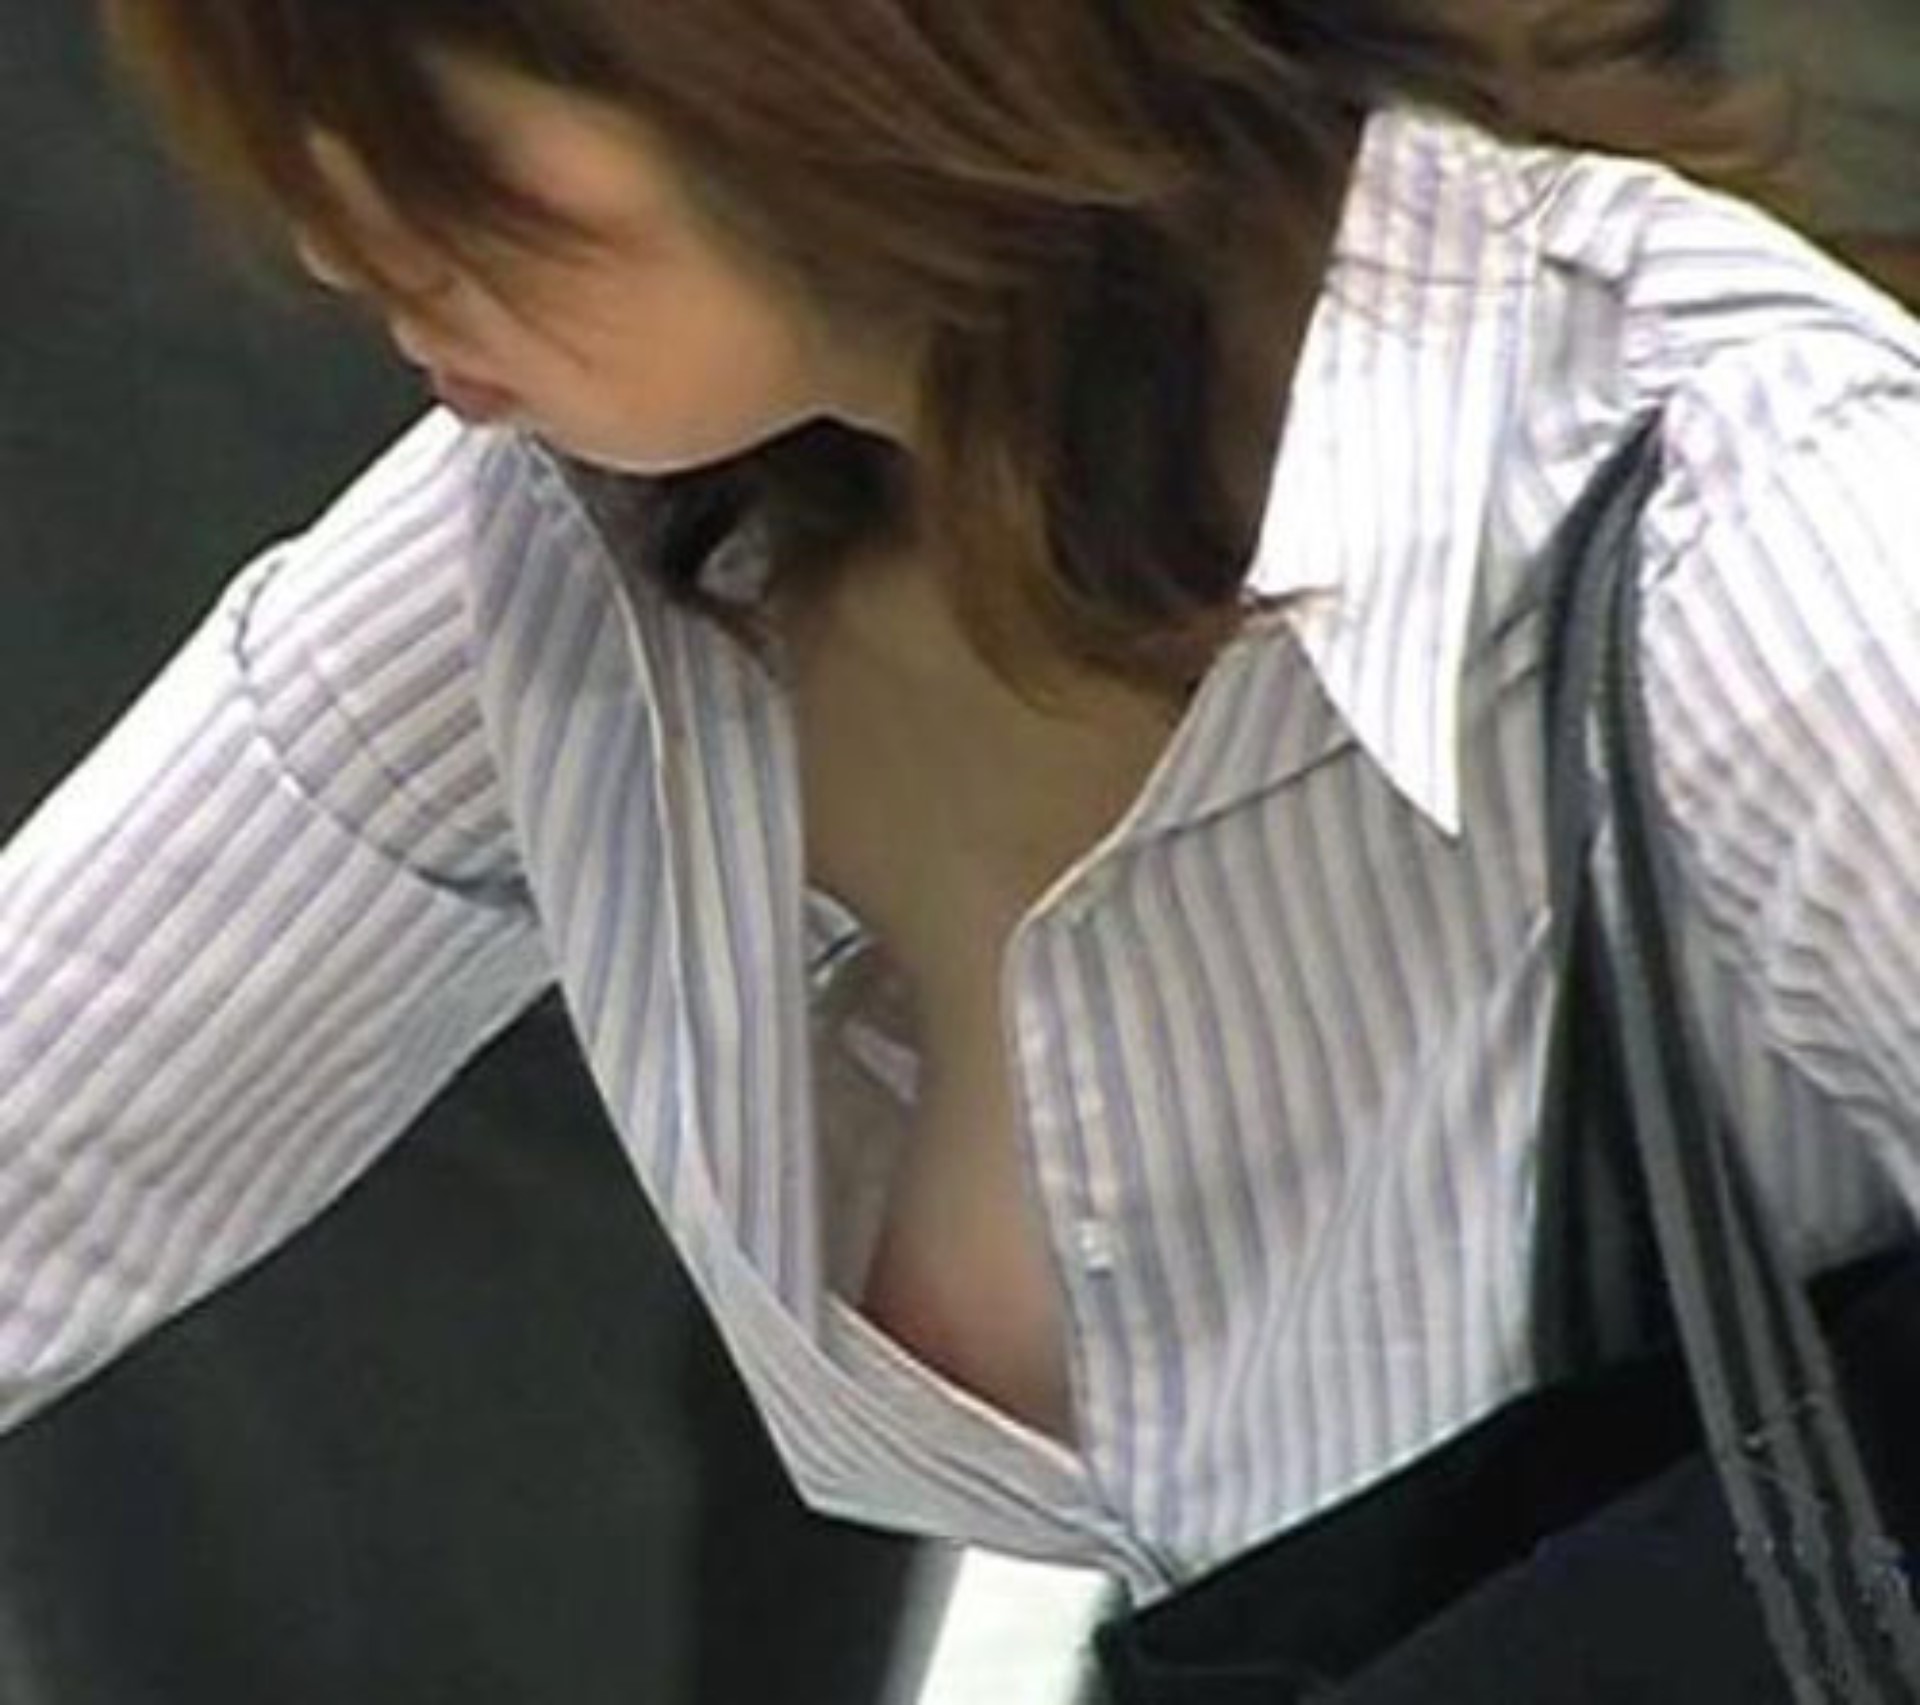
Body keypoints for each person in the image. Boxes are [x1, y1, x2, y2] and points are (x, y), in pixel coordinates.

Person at [6, 0, 1919, 1695]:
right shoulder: (570, 538)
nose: (341, 242)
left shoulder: (1758, 552)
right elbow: (60, 1084)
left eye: (434, 140)